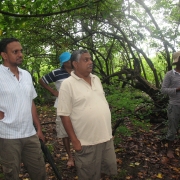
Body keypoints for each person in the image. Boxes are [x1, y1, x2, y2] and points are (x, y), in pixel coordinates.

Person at [57, 49, 117, 180]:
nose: (90, 62)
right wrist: (74, 140)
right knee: (89, 174)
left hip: (106, 139)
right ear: (75, 64)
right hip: (86, 141)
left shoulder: (96, 79)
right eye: (86, 60)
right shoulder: (67, 84)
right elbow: (64, 115)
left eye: (90, 59)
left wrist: (108, 131)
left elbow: (101, 105)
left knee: (106, 171)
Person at [0, 38, 46, 180]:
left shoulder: (26, 75)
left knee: (39, 172)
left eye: (21, 51)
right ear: (4, 55)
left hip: (29, 134)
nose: (20, 54)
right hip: (7, 136)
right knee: (11, 175)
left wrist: (38, 128)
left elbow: (30, 101)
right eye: (15, 52)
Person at [39, 51, 74, 167]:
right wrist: (53, 91)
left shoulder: (78, 71)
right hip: (62, 106)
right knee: (65, 132)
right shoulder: (56, 73)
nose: (72, 61)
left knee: (81, 130)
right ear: (65, 63)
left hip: (78, 106)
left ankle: (81, 154)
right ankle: (70, 156)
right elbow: (41, 80)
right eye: (70, 60)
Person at [161, 51, 180, 158]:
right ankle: (169, 149)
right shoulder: (170, 74)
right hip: (174, 105)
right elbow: (163, 90)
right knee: (172, 128)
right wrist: (177, 89)